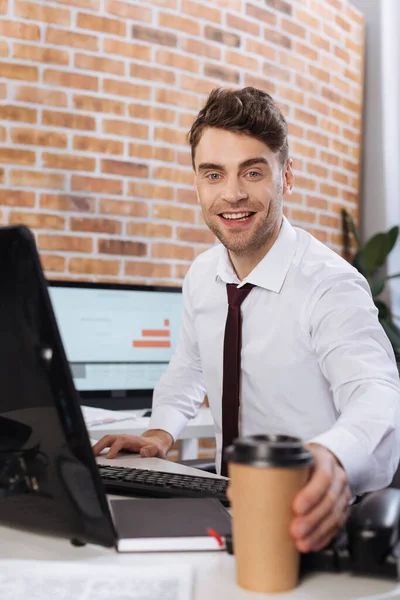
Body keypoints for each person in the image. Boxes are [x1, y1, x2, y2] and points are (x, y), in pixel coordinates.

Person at [93, 87, 400, 553]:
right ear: (197, 181)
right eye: (213, 174)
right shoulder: (201, 274)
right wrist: (160, 432)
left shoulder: (330, 285)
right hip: (228, 505)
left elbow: (377, 394)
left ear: (286, 176)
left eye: (252, 172)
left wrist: (332, 456)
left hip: (314, 517)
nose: (232, 193)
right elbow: (190, 367)